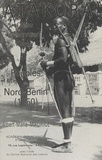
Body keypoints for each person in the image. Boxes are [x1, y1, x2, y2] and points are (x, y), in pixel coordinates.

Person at [40, 16, 75, 153]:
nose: (55, 27)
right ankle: (68, 142)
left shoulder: (61, 40)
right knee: (67, 109)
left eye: (58, 24)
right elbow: (67, 61)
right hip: (68, 77)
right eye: (54, 25)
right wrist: (48, 67)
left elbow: (63, 59)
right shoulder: (69, 39)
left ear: (64, 25)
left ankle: (67, 146)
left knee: (64, 110)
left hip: (61, 78)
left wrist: (47, 63)